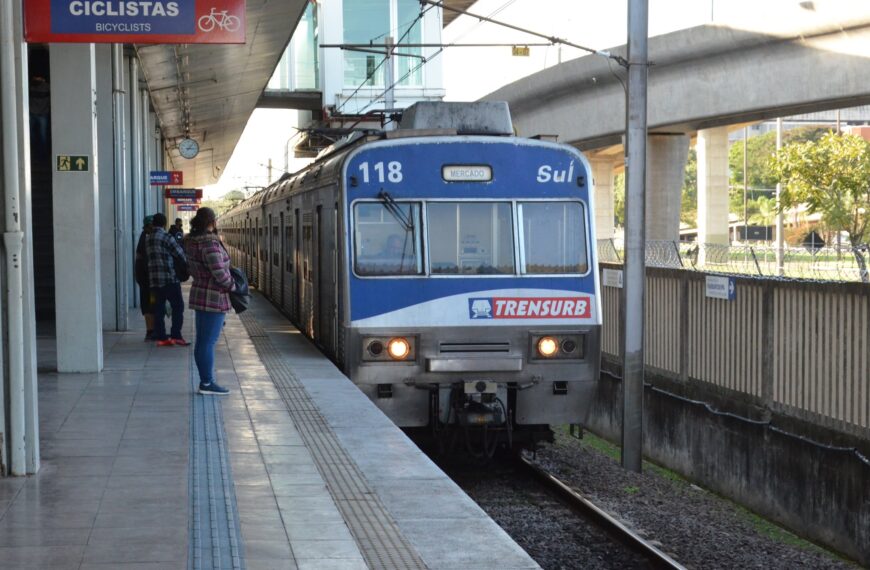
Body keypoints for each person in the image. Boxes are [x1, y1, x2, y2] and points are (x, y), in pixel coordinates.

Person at [184, 207, 234, 395]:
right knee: (207, 342)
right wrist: (233, 286)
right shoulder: (210, 244)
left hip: (200, 293)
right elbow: (219, 272)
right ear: (212, 222)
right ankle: (207, 382)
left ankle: (206, 381)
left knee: (203, 341)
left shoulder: (191, 242)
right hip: (213, 297)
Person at [146, 212, 190, 347]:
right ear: (164, 224)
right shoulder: (166, 237)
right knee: (178, 307)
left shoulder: (148, 238)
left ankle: (162, 337)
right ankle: (176, 335)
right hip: (169, 279)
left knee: (158, 309)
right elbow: (181, 254)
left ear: (153, 224)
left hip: (154, 282)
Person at [135, 216, 155, 341]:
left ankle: (151, 330)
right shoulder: (147, 239)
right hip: (147, 280)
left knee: (149, 304)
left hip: (144, 279)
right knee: (150, 305)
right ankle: (150, 331)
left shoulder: (144, 237)